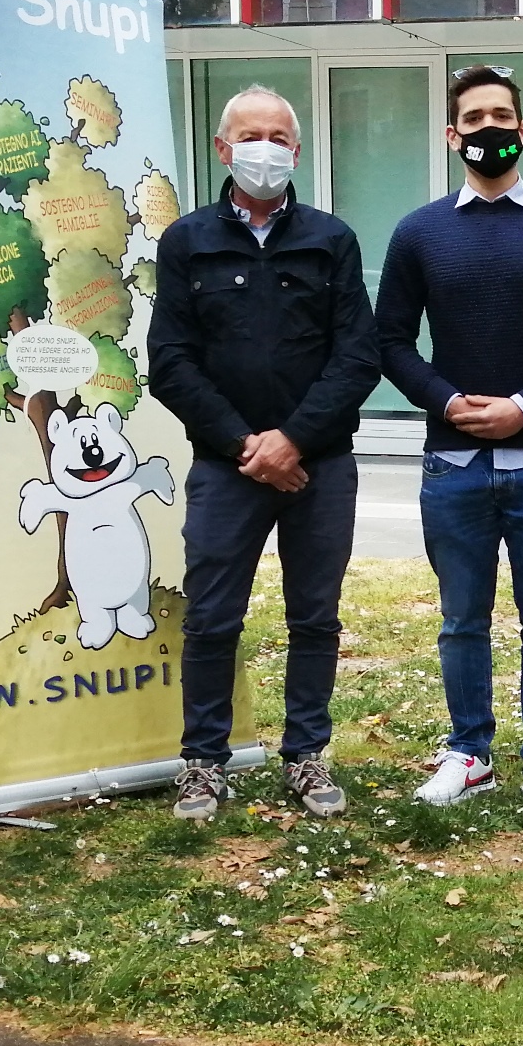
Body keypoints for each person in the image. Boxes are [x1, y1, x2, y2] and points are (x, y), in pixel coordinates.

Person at [377, 64, 523, 816]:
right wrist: (446, 402)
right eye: (475, 118)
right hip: (452, 463)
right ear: (453, 136)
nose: (490, 129)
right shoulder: (419, 232)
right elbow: (389, 342)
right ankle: (469, 752)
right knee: (461, 621)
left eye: (502, 117)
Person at [147, 84, 380, 821]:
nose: (265, 149)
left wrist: (294, 439)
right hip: (228, 467)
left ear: (297, 152)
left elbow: (358, 357)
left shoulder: (331, 239)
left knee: (315, 617)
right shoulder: (187, 241)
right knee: (212, 619)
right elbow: (170, 362)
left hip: (319, 466)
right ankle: (203, 763)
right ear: (223, 148)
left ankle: (306, 755)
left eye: (279, 138)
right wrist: (246, 443)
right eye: (251, 136)